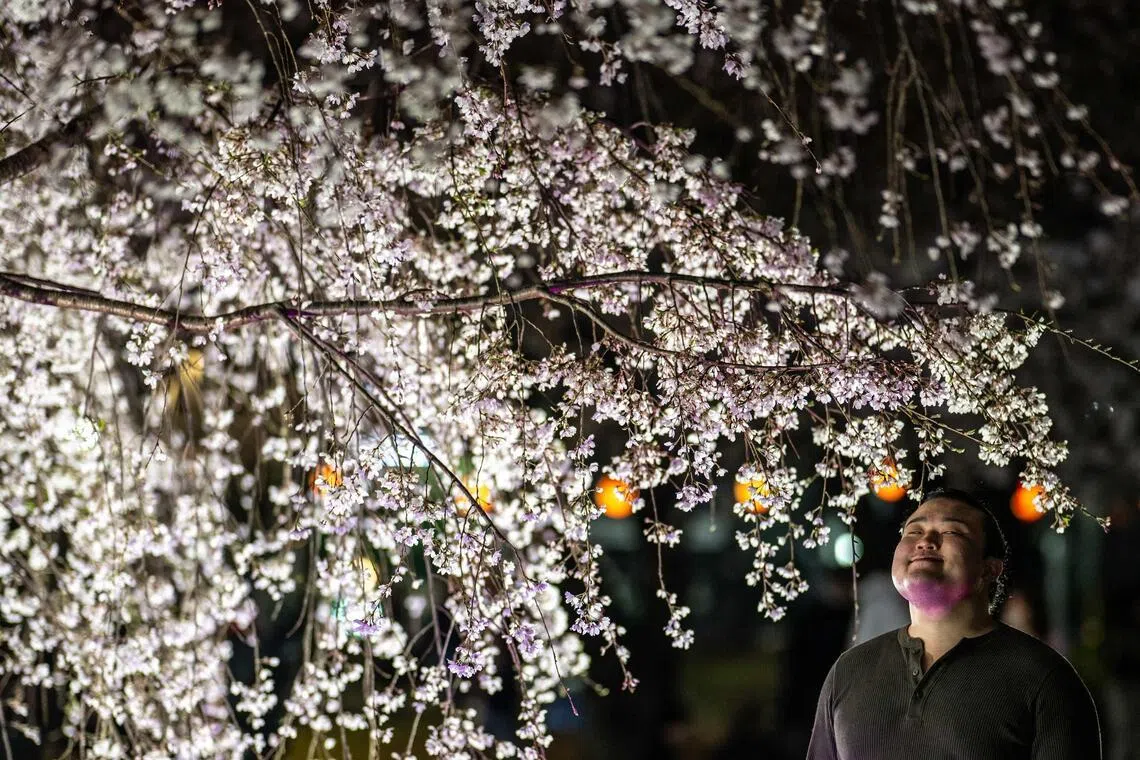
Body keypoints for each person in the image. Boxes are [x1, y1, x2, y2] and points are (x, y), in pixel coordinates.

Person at [806, 488, 1101, 759]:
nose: (925, 541)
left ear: (989, 569)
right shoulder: (849, 671)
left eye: (951, 531)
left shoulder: (1042, 679)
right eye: (913, 531)